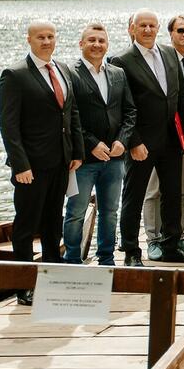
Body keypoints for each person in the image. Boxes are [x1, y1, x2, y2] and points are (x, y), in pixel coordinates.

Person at [0, 21, 83, 304]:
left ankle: (53, 276)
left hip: (60, 161)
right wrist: (20, 165)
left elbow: (71, 115)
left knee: (52, 223)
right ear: (29, 40)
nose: (46, 41)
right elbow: (9, 126)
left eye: (50, 36)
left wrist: (77, 152)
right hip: (31, 167)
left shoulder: (62, 69)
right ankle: (23, 285)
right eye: (40, 37)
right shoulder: (15, 74)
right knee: (26, 224)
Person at [111, 10, 184, 266]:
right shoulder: (122, 60)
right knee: (134, 195)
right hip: (141, 142)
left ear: (158, 28)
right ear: (132, 29)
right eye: (142, 25)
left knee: (172, 193)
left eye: (152, 25)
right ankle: (131, 251)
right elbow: (121, 107)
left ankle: (171, 244)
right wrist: (133, 141)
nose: (148, 30)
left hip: (172, 138)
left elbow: (182, 97)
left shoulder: (170, 53)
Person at [63, 22, 136, 266]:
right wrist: (92, 143)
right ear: (81, 43)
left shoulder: (117, 73)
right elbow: (69, 116)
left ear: (107, 45)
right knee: (76, 212)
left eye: (101, 41)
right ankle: (72, 259)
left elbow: (130, 112)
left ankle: (106, 258)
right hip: (84, 158)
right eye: (91, 40)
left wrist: (122, 142)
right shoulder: (69, 73)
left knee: (110, 211)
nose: (97, 45)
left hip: (114, 158)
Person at [142, 14, 184, 261]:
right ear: (170, 33)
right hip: (162, 134)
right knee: (155, 190)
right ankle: (153, 238)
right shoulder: (161, 58)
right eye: (180, 30)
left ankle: (175, 237)